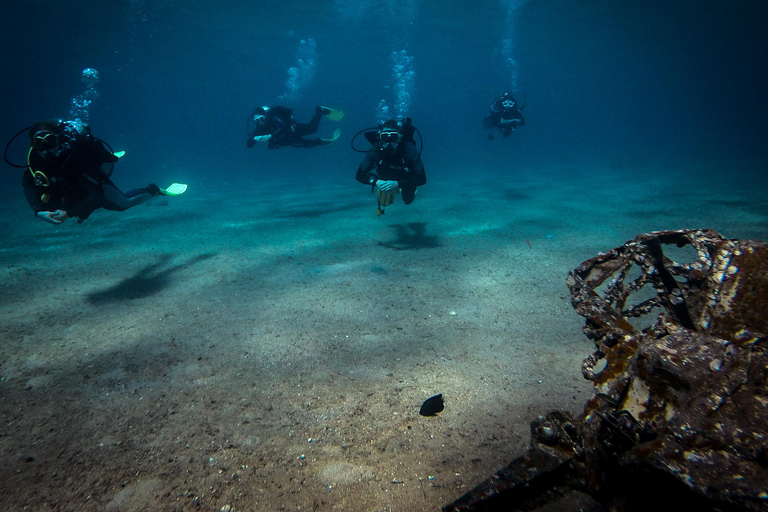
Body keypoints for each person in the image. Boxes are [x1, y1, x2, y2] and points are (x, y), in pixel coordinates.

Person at [21, 119, 186, 225]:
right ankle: (109, 160)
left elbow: (95, 196)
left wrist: (68, 213)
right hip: (73, 186)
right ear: (33, 145)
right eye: (39, 143)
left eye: (50, 141)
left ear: (58, 139)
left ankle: (154, 190)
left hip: (91, 176)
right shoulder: (36, 159)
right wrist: (39, 211)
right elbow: (28, 183)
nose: (46, 148)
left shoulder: (74, 155)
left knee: (122, 204)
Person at [355, 118, 426, 215]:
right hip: (385, 177)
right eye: (385, 137)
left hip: (404, 178)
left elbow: (422, 179)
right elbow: (359, 175)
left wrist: (398, 183)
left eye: (393, 137)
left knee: (408, 200)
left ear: (399, 137)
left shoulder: (409, 148)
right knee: (384, 202)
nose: (389, 142)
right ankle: (393, 186)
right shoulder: (375, 149)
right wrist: (376, 182)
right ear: (380, 137)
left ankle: (407, 189)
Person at [246, 105, 343, 149]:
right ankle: (323, 142)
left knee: (313, 128)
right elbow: (249, 144)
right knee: (303, 144)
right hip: (288, 138)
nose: (259, 122)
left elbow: (284, 127)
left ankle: (320, 111)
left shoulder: (273, 117)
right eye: (256, 120)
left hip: (292, 129)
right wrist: (255, 138)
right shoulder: (260, 128)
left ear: (265, 116)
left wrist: (270, 135)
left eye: (260, 119)